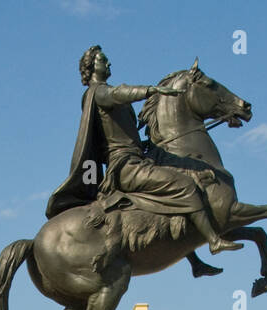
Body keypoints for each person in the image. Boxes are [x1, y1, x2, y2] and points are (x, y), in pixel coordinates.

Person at [46, 45, 242, 256]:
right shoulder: (97, 92)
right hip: (126, 166)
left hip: (137, 159)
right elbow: (117, 94)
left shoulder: (105, 95)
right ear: (92, 68)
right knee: (184, 184)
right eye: (103, 60)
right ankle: (213, 241)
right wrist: (150, 90)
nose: (109, 63)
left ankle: (194, 260)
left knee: (172, 189)